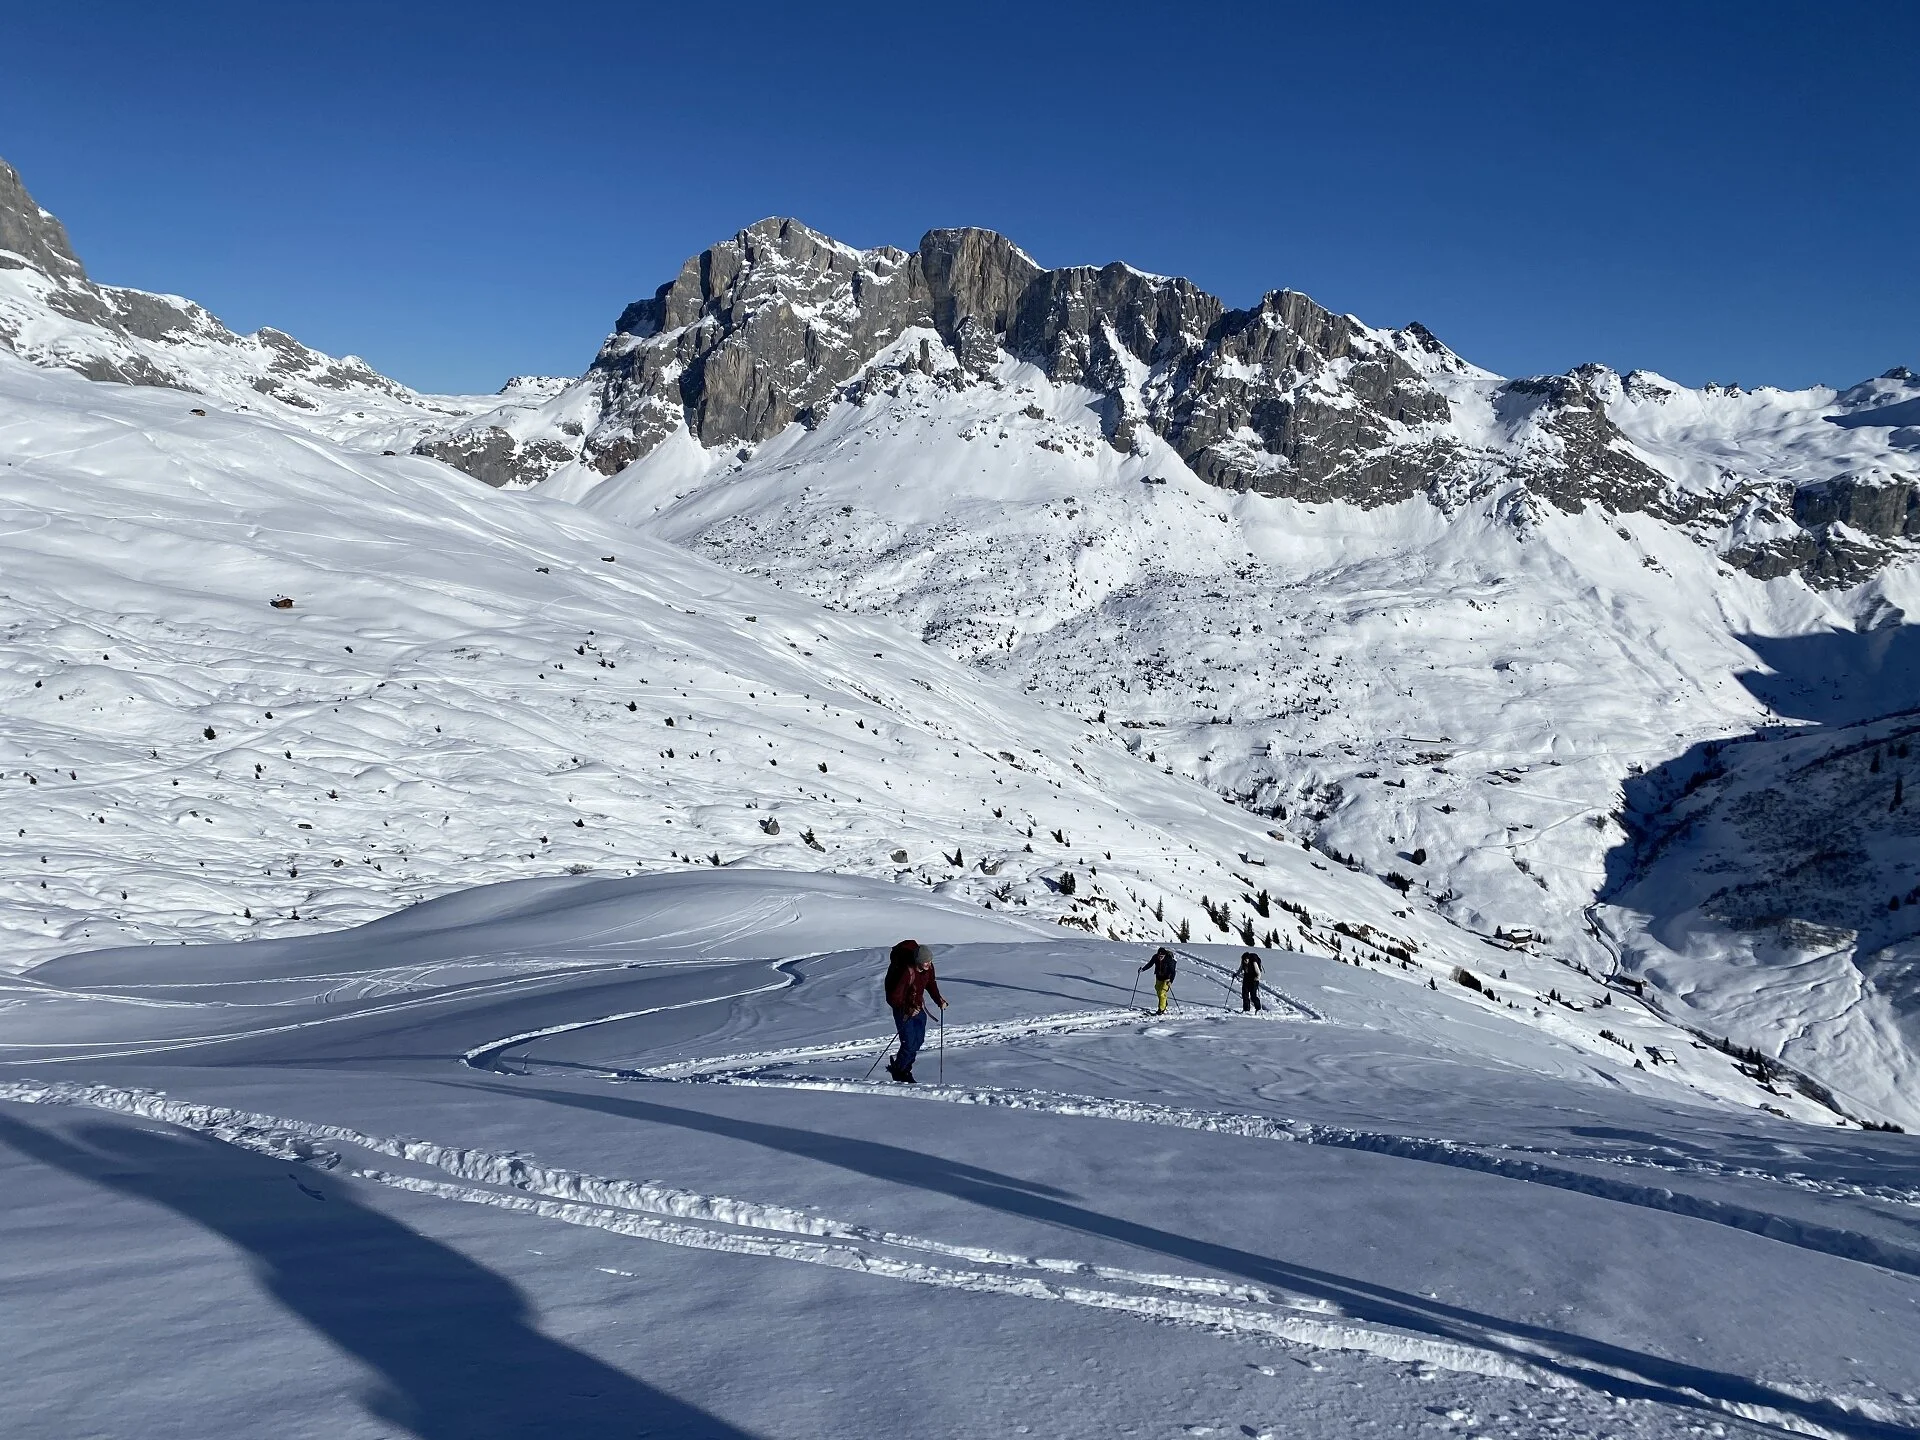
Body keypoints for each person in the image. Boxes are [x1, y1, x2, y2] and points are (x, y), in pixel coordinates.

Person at [884, 939, 946, 1082]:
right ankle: (900, 1071)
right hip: (904, 1011)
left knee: (918, 1041)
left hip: (918, 1008)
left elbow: (931, 984)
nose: (929, 964)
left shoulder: (928, 968)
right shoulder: (906, 972)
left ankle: (905, 1068)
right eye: (926, 962)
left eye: (930, 961)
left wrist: (939, 1000)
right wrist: (908, 1009)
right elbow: (893, 998)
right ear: (918, 961)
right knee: (909, 1044)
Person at [1139, 946, 1177, 1015]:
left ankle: (1161, 1009)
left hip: (1167, 978)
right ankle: (1164, 1002)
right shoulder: (1155, 957)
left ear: (1164, 955)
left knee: (1162, 992)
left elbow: (1173, 972)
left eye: (1161, 956)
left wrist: (1171, 981)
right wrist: (1143, 969)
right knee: (1157, 989)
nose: (1160, 957)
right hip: (1159, 976)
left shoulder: (1169, 960)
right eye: (1159, 956)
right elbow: (1150, 964)